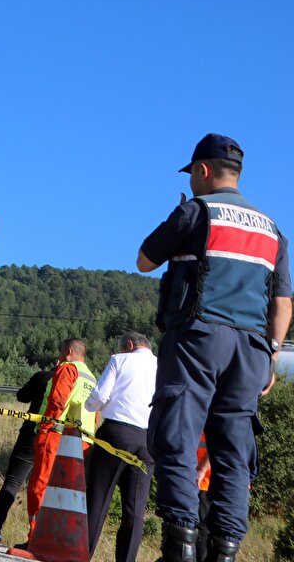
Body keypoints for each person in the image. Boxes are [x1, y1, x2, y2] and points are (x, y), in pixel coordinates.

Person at [137, 133, 291, 562]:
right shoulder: (273, 229)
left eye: (194, 175)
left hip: (198, 338)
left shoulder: (196, 210)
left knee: (177, 440)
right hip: (253, 350)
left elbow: (145, 260)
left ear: (203, 171)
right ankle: (223, 553)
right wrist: (272, 352)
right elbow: (282, 301)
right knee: (233, 456)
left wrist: (180, 215)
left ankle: (181, 547)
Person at [85, 331, 157, 562]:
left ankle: (81, 555)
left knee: (98, 499)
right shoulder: (163, 366)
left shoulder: (120, 359)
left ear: (129, 345)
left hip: (116, 433)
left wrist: (89, 405)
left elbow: (100, 396)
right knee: (135, 509)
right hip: (148, 440)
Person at [21, 338, 96, 547]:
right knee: (66, 494)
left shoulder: (68, 369)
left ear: (69, 351)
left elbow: (56, 401)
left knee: (40, 486)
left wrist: (44, 429)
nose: (60, 357)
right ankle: (58, 540)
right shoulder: (91, 377)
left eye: (61, 352)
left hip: (56, 435)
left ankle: (36, 538)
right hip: (81, 443)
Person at [0, 362, 57, 544]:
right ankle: (39, 537)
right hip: (59, 441)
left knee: (13, 481)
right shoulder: (80, 382)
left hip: (32, 435)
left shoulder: (44, 377)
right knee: (47, 489)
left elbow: (22, 396)